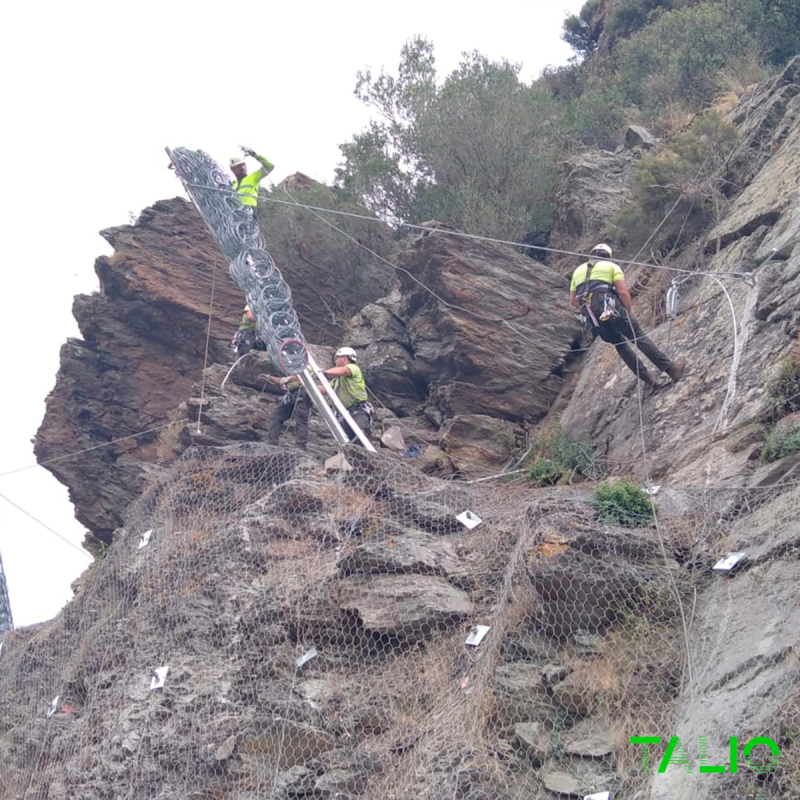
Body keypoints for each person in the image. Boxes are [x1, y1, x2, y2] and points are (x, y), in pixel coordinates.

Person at [570, 243, 686, 386]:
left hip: (592, 316)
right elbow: (623, 292)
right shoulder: (611, 266)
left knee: (620, 345)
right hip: (611, 306)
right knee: (637, 336)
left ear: (592, 254)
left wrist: (590, 310)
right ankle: (672, 370)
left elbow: (573, 301)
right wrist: (627, 312)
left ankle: (649, 379)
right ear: (608, 256)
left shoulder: (577, 272)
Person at [317, 347, 373, 445]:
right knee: (350, 443)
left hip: (358, 411)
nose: (336, 361)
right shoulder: (338, 380)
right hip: (346, 413)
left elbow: (343, 371)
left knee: (361, 439)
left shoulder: (353, 368)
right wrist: (306, 384)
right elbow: (325, 389)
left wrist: (324, 372)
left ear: (345, 358)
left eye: (337, 358)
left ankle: (367, 459)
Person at [265, 374, 311, 449]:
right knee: (276, 415)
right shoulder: (293, 368)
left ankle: (300, 446)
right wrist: (271, 378)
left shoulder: (306, 366)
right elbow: (287, 379)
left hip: (302, 393)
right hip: (292, 393)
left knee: (300, 419)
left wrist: (286, 379)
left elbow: (302, 376)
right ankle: (272, 442)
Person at [230, 147, 274, 214]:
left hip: (250, 210)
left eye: (243, 165)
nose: (242, 168)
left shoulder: (253, 177)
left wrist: (255, 155)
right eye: (238, 166)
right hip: (236, 211)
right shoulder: (233, 185)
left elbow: (270, 166)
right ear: (233, 169)